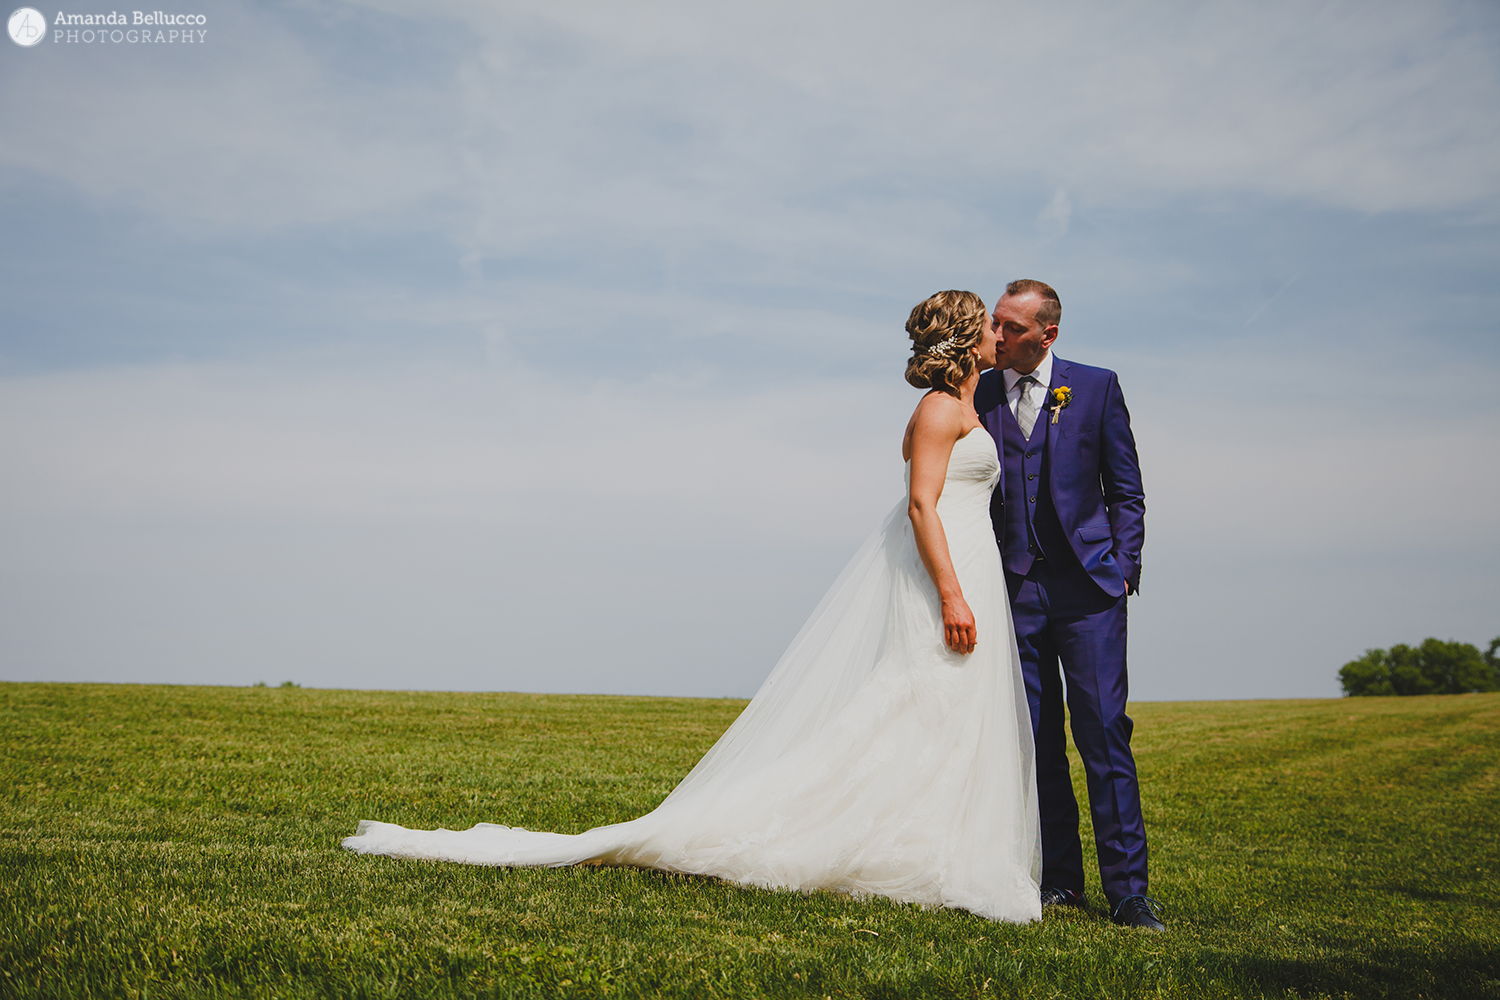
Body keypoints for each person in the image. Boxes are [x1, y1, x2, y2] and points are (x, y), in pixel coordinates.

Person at [343, 291, 1043, 923]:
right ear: (961, 338)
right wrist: (951, 591)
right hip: (944, 576)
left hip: (971, 566)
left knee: (945, 711)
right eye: (986, 323)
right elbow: (923, 504)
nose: (996, 333)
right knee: (915, 701)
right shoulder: (937, 410)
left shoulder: (968, 409)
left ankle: (934, 842)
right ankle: (851, 837)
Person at [973, 279, 1162, 930]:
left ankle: (1130, 892)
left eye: (1010, 328)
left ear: (1046, 334)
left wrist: (1124, 568)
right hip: (1015, 591)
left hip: (1089, 593)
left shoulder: (1096, 386)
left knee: (1105, 734)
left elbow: (1126, 490)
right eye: (994, 323)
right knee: (1035, 741)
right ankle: (1060, 881)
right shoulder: (980, 391)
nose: (996, 336)